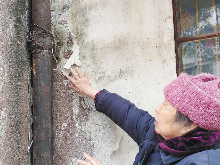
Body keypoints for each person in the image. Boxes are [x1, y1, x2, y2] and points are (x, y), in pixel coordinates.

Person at [66, 67, 220, 165]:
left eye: (166, 106)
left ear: (190, 124)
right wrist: (89, 90)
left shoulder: (202, 162)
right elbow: (128, 114)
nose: (157, 108)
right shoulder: (158, 135)